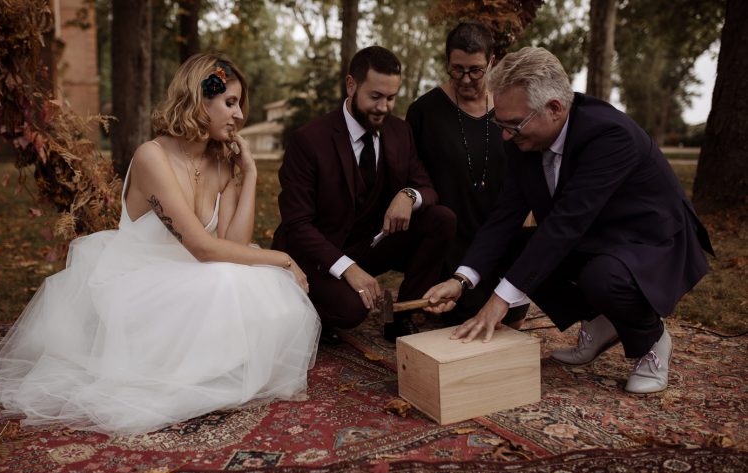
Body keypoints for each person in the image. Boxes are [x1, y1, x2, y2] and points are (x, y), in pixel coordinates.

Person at [0, 53, 321, 435]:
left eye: (240, 105)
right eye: (230, 103)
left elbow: (233, 244)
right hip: (137, 284)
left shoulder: (223, 164)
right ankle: (192, 370)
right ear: (199, 99)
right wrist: (283, 258)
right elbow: (205, 249)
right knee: (240, 279)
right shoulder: (152, 156)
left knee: (249, 281)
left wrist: (250, 173)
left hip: (198, 277)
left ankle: (203, 368)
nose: (240, 116)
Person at [424, 47, 713, 394]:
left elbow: (565, 224)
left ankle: (652, 341)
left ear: (555, 108)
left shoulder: (610, 135)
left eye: (513, 124)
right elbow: (505, 216)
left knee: (603, 279)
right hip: (592, 234)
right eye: (500, 123)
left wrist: (499, 301)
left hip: (651, 239)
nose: (504, 135)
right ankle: (600, 322)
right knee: (517, 249)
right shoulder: (521, 139)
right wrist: (463, 278)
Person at [272, 46, 456, 342]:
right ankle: (308, 310)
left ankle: (400, 318)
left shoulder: (399, 132)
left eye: (391, 98)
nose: (384, 107)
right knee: (351, 311)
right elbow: (297, 225)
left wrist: (408, 195)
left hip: (369, 245)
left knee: (441, 219)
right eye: (375, 97)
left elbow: (428, 189)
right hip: (316, 257)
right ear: (351, 85)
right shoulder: (308, 140)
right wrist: (349, 269)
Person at [406, 21, 529, 327]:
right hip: (451, 241)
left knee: (511, 313)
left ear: (492, 62)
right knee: (456, 313)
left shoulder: (508, 108)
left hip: (500, 234)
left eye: (475, 70)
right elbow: (413, 176)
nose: (465, 79)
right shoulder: (423, 111)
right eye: (457, 69)